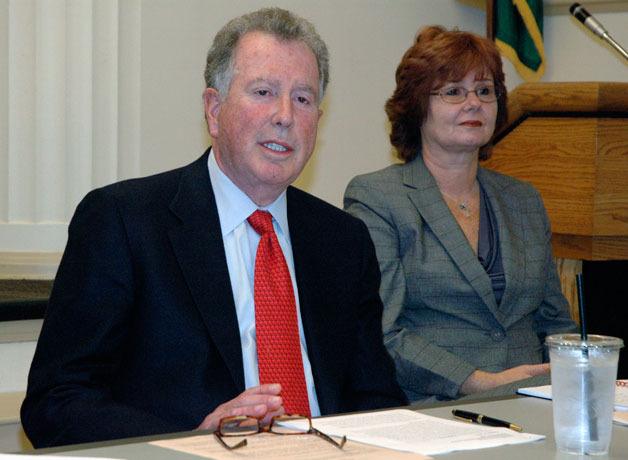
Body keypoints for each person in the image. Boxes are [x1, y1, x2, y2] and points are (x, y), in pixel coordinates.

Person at [21, 7, 406, 448]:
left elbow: (377, 399)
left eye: (303, 98)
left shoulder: (343, 240)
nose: (284, 115)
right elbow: (56, 402)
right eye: (263, 91)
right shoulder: (123, 221)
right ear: (214, 109)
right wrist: (193, 441)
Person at [344, 26, 576, 403]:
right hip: (437, 406)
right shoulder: (377, 197)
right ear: (418, 105)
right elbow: (383, 332)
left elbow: (555, 323)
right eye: (453, 92)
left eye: (485, 91)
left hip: (536, 401)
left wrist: (575, 373)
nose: (474, 103)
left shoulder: (524, 200)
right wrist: (476, 380)